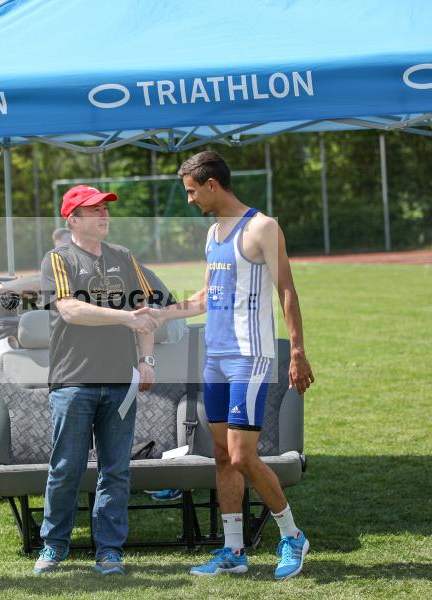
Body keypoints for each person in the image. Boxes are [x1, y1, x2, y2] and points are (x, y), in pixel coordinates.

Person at [143, 151, 314, 580]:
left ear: (212, 184)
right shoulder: (213, 233)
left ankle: (293, 536)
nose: (189, 200)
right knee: (221, 456)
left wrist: (297, 351)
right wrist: (162, 314)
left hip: (249, 358)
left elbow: (287, 290)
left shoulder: (262, 227)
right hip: (215, 360)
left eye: (191, 191)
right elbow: (206, 296)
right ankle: (234, 551)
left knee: (241, 456)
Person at [33, 184, 160, 576]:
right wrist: (125, 318)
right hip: (73, 382)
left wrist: (147, 359)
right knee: (65, 469)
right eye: (95, 210)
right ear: (73, 220)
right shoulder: (57, 258)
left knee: (116, 471)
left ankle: (109, 552)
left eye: (106, 208)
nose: (104, 214)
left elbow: (144, 311)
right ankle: (54, 546)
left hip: (120, 381)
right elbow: (70, 310)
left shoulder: (123, 256)